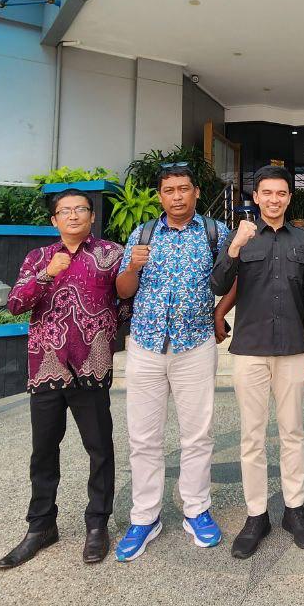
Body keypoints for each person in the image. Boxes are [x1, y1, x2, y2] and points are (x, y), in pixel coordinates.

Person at [0, 189, 123, 569]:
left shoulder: (111, 255)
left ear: (92, 216)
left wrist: (106, 334)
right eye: (65, 211)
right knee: (44, 451)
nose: (73, 216)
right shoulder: (38, 258)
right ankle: (40, 527)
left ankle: (97, 524)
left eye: (80, 209)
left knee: (99, 449)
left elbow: (127, 302)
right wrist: (46, 275)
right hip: (47, 366)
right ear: (54, 220)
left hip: (91, 366)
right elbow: (15, 304)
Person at [113, 163, 230, 562]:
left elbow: (235, 278)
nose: (177, 196)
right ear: (159, 196)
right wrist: (132, 266)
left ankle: (196, 510)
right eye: (169, 190)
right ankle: (145, 517)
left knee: (197, 435)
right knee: (143, 437)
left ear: (195, 192)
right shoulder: (142, 234)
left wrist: (219, 313)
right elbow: (123, 290)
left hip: (194, 345)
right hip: (145, 345)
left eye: (183, 189)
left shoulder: (215, 232)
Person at [210, 165, 304, 558]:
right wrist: (235, 247)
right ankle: (256, 514)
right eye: (267, 193)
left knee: (292, 432)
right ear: (256, 197)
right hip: (250, 350)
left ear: (289, 198)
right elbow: (218, 284)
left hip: (292, 348)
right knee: (252, 437)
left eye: (281, 193)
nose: (274, 200)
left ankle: (294, 509)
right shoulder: (240, 235)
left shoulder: (303, 239)